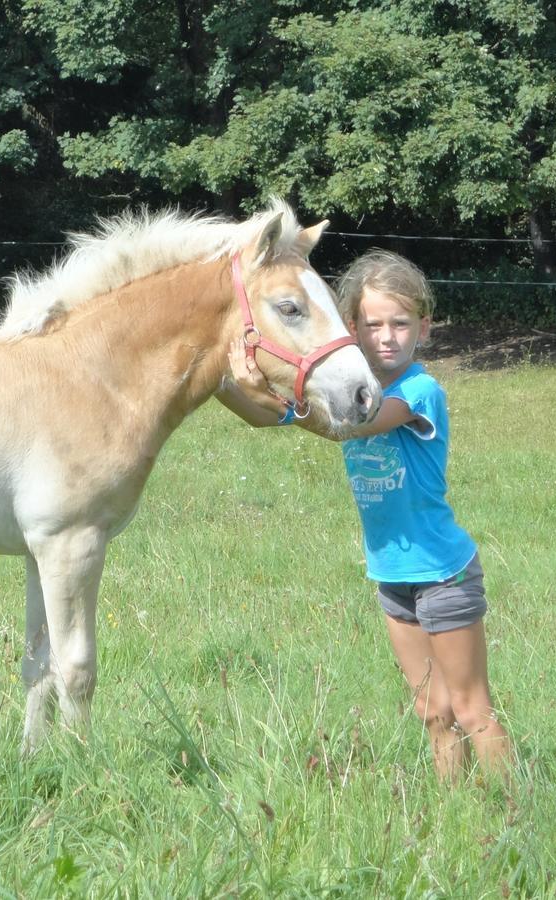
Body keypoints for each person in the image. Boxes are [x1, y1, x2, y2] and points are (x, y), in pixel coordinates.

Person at [218, 249, 511, 783]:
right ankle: (456, 813)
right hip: (392, 578)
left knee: (471, 709)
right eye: (373, 324)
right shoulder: (351, 388)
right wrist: (227, 382)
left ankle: (516, 812)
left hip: (443, 574)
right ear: (350, 326)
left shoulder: (419, 392)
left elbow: (349, 426)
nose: (387, 337)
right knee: (432, 711)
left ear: (424, 326)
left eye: (401, 324)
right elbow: (267, 421)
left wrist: (270, 396)